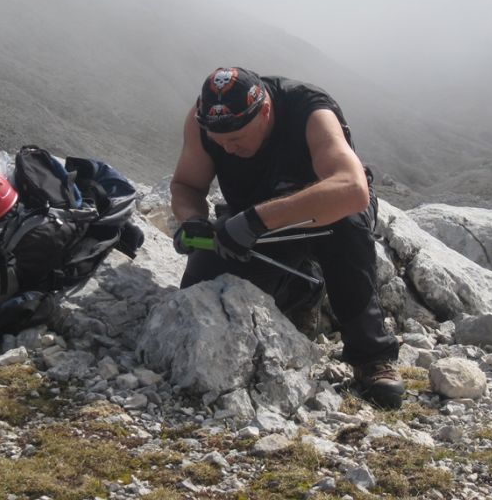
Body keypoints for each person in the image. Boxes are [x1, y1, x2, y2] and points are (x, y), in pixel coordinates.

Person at [169, 67, 404, 409]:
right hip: (253, 216)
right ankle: (305, 291)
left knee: (347, 233)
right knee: (203, 279)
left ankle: (372, 356)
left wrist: (256, 220)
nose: (229, 150)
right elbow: (186, 185)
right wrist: (192, 219)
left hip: (323, 211)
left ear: (265, 112)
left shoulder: (310, 111)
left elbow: (351, 189)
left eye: (237, 139)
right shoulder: (202, 120)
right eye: (220, 143)